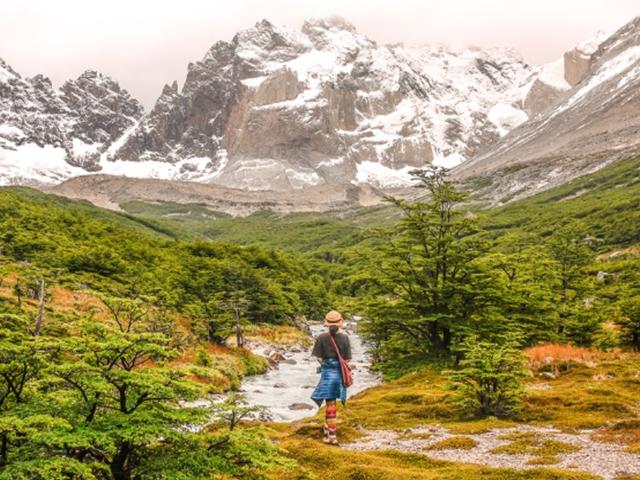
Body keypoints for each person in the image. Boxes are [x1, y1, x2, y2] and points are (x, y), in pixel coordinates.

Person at [310, 310, 352, 445]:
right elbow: (347, 359)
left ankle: (331, 435)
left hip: (327, 373)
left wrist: (327, 365)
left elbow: (319, 358)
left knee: (330, 403)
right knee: (333, 404)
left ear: (327, 324)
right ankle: (330, 431)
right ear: (340, 322)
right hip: (339, 374)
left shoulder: (321, 337)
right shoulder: (345, 338)